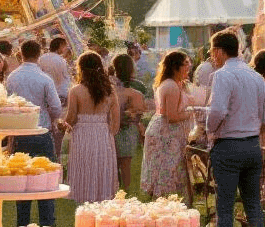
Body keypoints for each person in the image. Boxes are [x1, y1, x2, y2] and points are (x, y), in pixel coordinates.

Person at [205, 31, 265, 227]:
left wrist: (210, 129)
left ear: (218, 52)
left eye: (212, 52)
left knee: (225, 204)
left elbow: (217, 110)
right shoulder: (257, 77)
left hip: (228, 145)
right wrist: (256, 129)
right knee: (253, 203)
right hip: (252, 145)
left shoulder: (223, 75)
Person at [6, 40, 62, 227]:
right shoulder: (45, 78)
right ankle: (47, 225)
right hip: (41, 131)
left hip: (20, 134)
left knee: (22, 183)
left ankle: (22, 225)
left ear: (20, 54)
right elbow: (56, 108)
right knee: (45, 181)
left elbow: (7, 106)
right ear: (39, 55)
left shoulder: (12, 77)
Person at [62, 52, 119, 203]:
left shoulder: (76, 91)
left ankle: (84, 202)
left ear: (81, 68)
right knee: (101, 168)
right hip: (102, 133)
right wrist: (108, 134)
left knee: (84, 169)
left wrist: (62, 125)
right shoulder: (110, 91)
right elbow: (116, 122)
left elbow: (71, 118)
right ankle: (102, 200)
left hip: (82, 134)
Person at [140, 51, 194, 199]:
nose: (189, 67)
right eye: (185, 64)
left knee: (170, 168)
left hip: (167, 131)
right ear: (175, 66)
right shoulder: (170, 86)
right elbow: (172, 116)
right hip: (166, 133)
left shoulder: (175, 84)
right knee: (167, 168)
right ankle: (166, 203)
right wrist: (191, 112)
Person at [110, 53, 146, 191]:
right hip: (126, 131)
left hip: (111, 130)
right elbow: (138, 115)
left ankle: (117, 191)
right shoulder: (135, 94)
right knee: (126, 164)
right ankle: (126, 191)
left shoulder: (108, 91)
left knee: (113, 164)